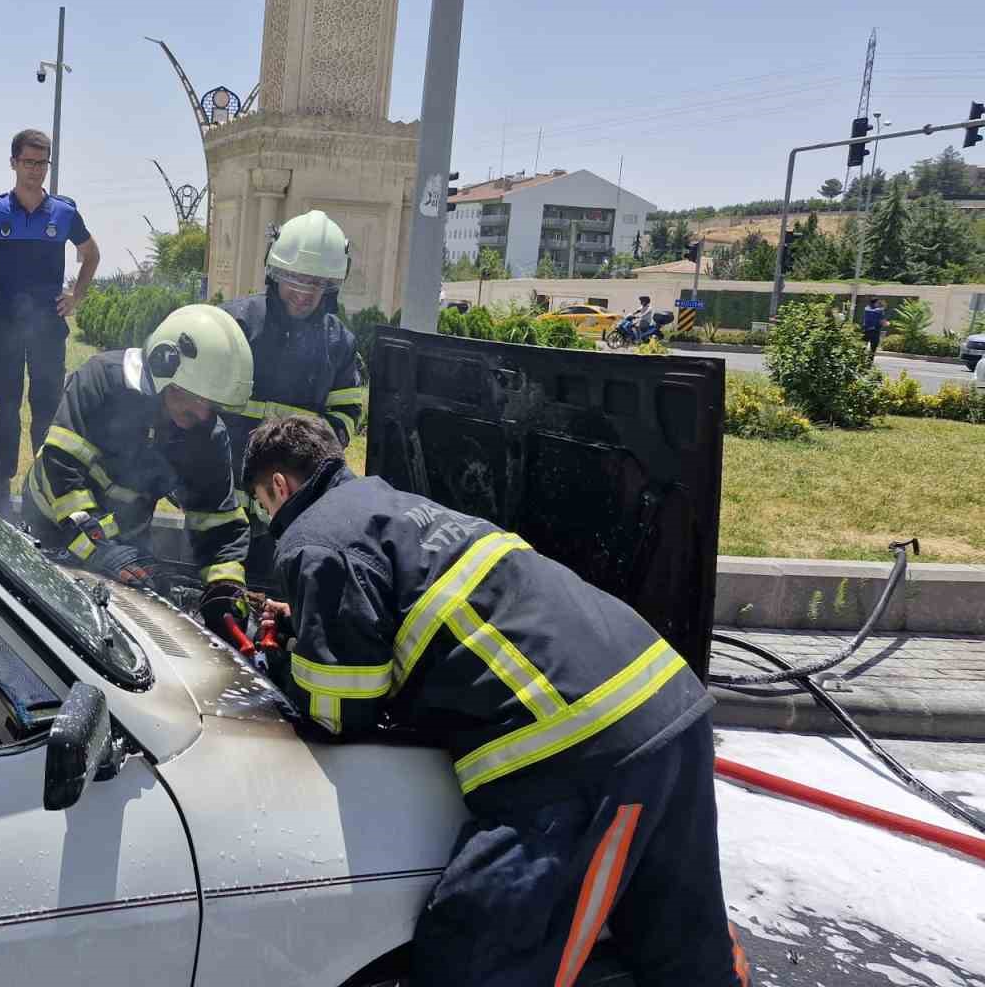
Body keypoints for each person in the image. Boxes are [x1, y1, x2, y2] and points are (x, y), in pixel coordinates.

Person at [243, 415, 749, 987]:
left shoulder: (312, 538)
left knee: (477, 955)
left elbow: (338, 709)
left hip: (585, 752)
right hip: (665, 697)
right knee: (683, 944)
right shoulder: (389, 503)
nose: (267, 517)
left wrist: (285, 659)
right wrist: (310, 625)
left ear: (278, 487)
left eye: (261, 502)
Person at [21, 304, 252, 594]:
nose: (203, 416)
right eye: (196, 399)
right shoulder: (102, 381)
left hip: (125, 542)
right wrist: (98, 547)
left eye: (213, 406)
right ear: (163, 366)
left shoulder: (205, 435)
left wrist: (225, 587)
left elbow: (218, 521)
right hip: (47, 524)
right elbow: (61, 466)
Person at [0, 129, 100, 515]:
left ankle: (43, 487)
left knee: (46, 405)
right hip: (4, 324)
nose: (36, 170)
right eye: (29, 162)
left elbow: (91, 254)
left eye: (42, 163)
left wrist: (76, 296)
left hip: (48, 326)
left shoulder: (64, 212)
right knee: (6, 405)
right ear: (14, 162)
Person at [218, 210, 362, 573]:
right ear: (274, 273)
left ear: (330, 286)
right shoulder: (235, 324)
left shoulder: (338, 342)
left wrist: (307, 460)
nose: (303, 293)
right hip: (224, 488)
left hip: (295, 501)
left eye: (315, 283)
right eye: (294, 279)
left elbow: (347, 412)